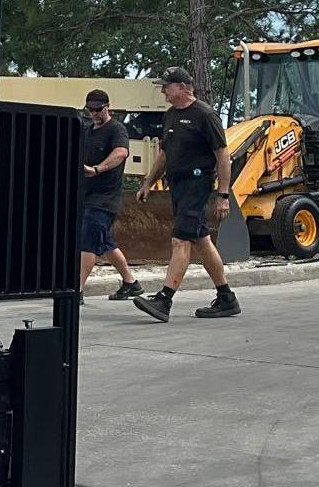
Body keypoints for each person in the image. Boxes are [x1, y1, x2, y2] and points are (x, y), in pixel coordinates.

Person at [132, 67, 241, 321]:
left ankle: (164, 300)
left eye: (166, 87)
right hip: (178, 186)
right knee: (201, 240)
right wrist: (148, 182)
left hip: (197, 184)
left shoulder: (205, 115)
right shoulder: (170, 115)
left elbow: (223, 155)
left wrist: (223, 195)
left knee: (180, 240)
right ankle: (226, 298)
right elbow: (165, 153)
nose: (163, 92)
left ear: (182, 87)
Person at [79, 89, 141, 302]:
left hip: (104, 198)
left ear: (108, 108)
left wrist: (97, 169)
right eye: (90, 110)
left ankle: (76, 291)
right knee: (105, 243)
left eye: (98, 109)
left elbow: (121, 153)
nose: (94, 113)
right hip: (85, 195)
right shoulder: (86, 131)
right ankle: (130, 283)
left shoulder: (116, 129)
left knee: (87, 241)